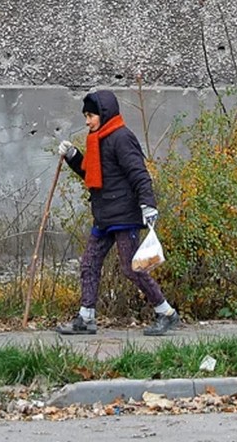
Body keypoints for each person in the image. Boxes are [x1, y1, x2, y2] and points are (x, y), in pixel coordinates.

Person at [54, 89, 179, 336]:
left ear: (105, 113)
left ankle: (166, 312)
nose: (87, 121)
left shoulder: (121, 137)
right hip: (105, 214)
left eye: (91, 115)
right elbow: (92, 173)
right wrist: (73, 156)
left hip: (124, 214)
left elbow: (139, 173)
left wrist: (148, 204)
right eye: (86, 116)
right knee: (89, 263)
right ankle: (86, 318)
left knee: (132, 267)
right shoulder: (98, 139)